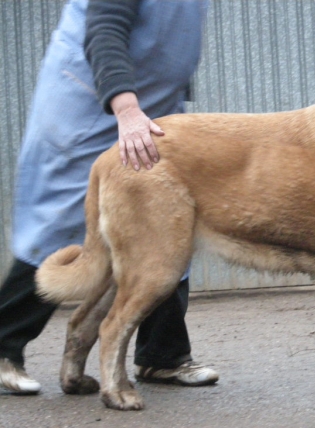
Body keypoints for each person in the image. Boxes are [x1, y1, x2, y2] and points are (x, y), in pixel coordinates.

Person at [0, 0, 218, 394]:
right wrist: (126, 107)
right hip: (92, 104)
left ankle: (162, 355)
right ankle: (2, 349)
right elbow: (104, 30)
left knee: (164, 227)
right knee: (59, 226)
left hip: (147, 105)